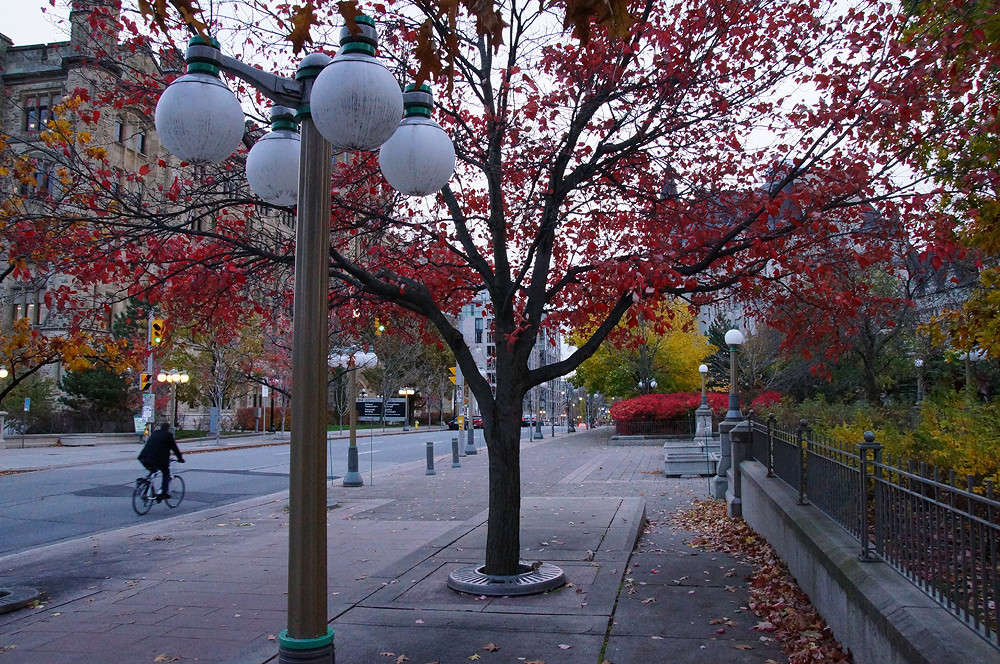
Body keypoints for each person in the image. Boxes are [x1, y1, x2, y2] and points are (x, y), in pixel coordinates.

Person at [138, 423, 184, 500]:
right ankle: (163, 493)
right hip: (157, 459)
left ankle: (145, 482)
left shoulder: (155, 433)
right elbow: (175, 448)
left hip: (143, 457)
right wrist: (180, 459)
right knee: (166, 473)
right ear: (168, 429)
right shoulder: (168, 435)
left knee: (153, 470)